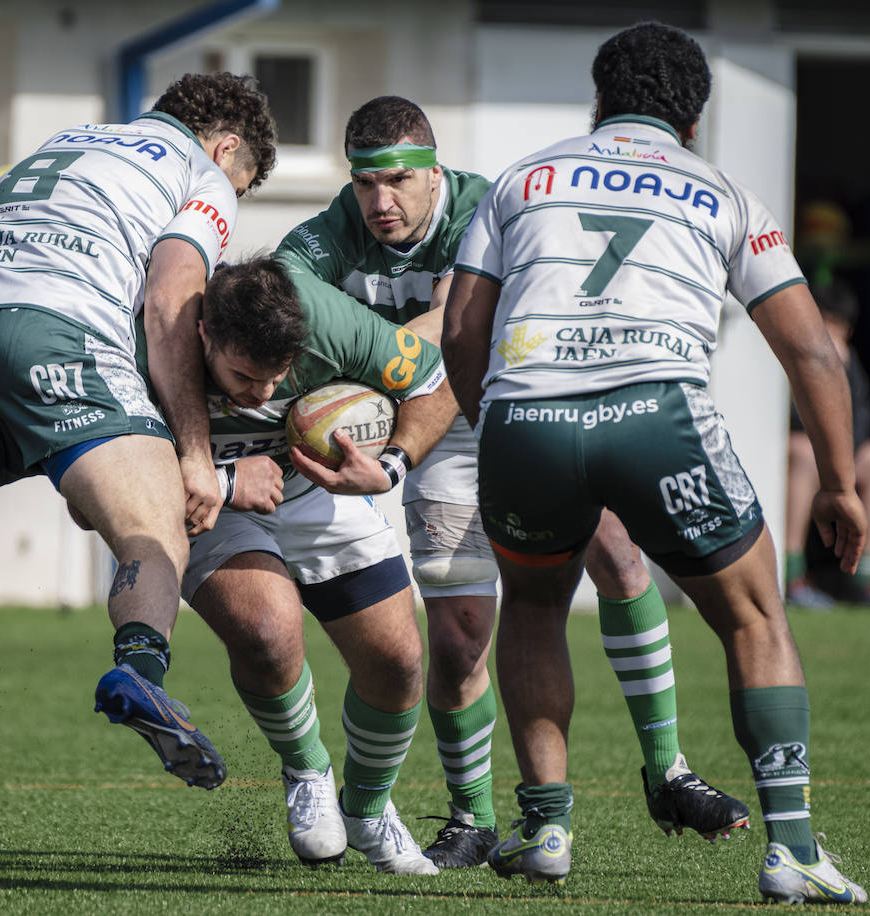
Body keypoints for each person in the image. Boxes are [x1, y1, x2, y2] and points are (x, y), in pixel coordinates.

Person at [442, 22, 868, 904]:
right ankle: (790, 847)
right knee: (755, 617)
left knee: (531, 609)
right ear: (696, 120)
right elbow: (814, 355)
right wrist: (838, 483)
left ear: (599, 102)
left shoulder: (524, 178)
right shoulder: (723, 192)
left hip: (527, 416)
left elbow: (460, 330)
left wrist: (500, 424)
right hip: (658, 414)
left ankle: (548, 827)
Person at [274, 95, 747, 868]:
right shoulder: (331, 232)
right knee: (459, 641)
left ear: (434, 171)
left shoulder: (483, 206)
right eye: (364, 183)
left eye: (396, 180)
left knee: (621, 560)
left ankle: (669, 770)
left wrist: (356, 349)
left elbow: (453, 327)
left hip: (524, 407)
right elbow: (284, 302)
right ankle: (474, 818)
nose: (379, 201)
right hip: (434, 439)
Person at [0, 73, 277, 873]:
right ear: (227, 146)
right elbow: (172, 297)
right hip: (57, 331)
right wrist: (198, 456)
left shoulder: (62, 142)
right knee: (152, 521)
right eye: (240, 183)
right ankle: (141, 671)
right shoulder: (200, 173)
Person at [152, 256, 458, 874]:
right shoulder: (148, 341)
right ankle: (308, 771)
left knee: (398, 661)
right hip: (210, 504)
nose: (262, 394)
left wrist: (391, 466)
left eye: (278, 377)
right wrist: (228, 478)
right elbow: (102, 474)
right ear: (206, 335)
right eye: (243, 375)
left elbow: (435, 383)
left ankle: (368, 813)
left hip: (315, 490)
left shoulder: (327, 318)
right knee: (269, 631)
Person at [786, 278, 870, 609]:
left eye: (835, 327)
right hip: (803, 453)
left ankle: (865, 578)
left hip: (840, 456)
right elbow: (791, 417)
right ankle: (792, 577)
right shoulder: (790, 351)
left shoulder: (851, 365)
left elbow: (863, 421)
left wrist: (836, 367)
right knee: (803, 452)